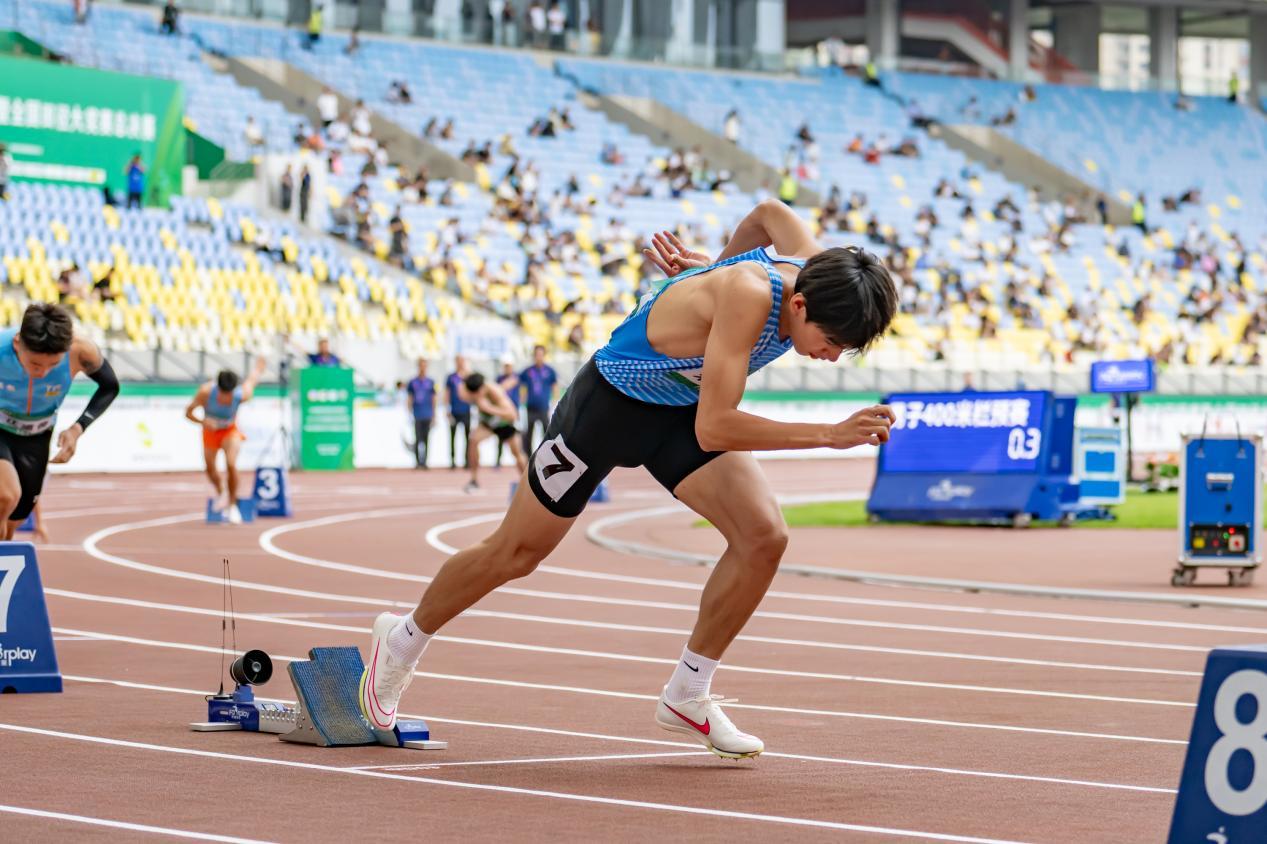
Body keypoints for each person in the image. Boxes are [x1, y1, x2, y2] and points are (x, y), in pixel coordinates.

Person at [359, 199, 898, 759]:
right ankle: (399, 643)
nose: (831, 358)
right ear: (801, 303)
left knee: (764, 537)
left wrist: (711, 268)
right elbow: (716, 428)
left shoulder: (811, 260)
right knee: (515, 553)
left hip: (679, 411)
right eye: (831, 344)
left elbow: (768, 211)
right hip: (609, 408)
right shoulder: (751, 295)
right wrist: (827, 434)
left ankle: (687, 694)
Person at [0, 303, 120, 540]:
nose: (42, 372)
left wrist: (78, 428)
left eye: (53, 365)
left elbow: (110, 387)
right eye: (35, 364)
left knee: (16, 518)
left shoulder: (81, 350)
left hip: (38, 434)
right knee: (6, 496)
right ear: (17, 344)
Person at [185, 358, 267, 524]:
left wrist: (258, 368)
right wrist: (203, 422)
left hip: (230, 431)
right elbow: (188, 413)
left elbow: (251, 381)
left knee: (231, 464)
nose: (226, 398)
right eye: (223, 394)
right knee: (210, 469)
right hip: (210, 431)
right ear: (218, 388)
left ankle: (232, 505)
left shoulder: (241, 394)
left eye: (229, 394)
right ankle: (221, 491)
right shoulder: (205, 393)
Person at [460, 372, 526, 492]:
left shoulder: (495, 392)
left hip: (505, 423)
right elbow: (462, 392)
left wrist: (489, 409)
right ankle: (474, 480)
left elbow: (512, 415)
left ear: (482, 388)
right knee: (473, 440)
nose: (477, 397)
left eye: (478, 393)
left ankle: (528, 482)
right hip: (488, 424)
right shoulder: (472, 391)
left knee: (517, 454)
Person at [518, 344, 555, 454]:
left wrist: (553, 401)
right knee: (528, 433)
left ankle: (546, 455)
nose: (539, 357)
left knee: (547, 433)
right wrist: (522, 400)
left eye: (541, 354)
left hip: (543, 407)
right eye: (537, 354)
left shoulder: (549, 371)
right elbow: (521, 385)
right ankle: (528, 457)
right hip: (530, 407)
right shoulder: (528, 371)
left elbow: (555, 386)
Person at [405, 359, 436, 469]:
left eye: (425, 366)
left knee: (426, 438)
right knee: (418, 438)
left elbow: (433, 398)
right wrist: (408, 412)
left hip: (427, 413)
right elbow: (409, 397)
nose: (423, 368)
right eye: (421, 366)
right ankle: (418, 462)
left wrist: (434, 414)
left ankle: (425, 461)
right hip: (417, 413)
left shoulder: (431, 381)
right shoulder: (413, 382)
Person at [445, 355, 472, 469]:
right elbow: (447, 393)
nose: (460, 363)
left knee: (467, 437)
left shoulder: (468, 377)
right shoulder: (451, 377)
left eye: (462, 361)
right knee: (452, 437)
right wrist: (447, 408)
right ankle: (452, 460)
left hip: (466, 411)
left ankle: (467, 460)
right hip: (454, 411)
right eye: (458, 361)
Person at [494, 355, 520, 467]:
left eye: (509, 366)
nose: (507, 368)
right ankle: (498, 460)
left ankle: (517, 460)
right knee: (500, 436)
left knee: (514, 437)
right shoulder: (499, 379)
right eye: (505, 366)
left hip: (513, 412)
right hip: (502, 412)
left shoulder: (517, 378)